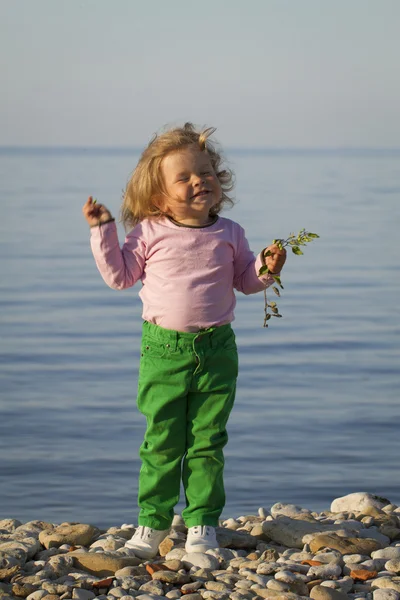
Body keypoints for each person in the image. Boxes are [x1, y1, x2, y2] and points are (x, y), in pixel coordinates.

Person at [82, 122, 286, 559]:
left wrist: (269, 267)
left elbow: (246, 282)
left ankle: (201, 525)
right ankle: (152, 524)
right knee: (162, 441)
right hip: (163, 351)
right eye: (185, 177)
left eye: (206, 172)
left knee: (208, 442)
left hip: (217, 350)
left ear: (219, 179)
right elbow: (120, 277)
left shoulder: (230, 232)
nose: (200, 181)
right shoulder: (151, 232)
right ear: (158, 197)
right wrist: (103, 231)